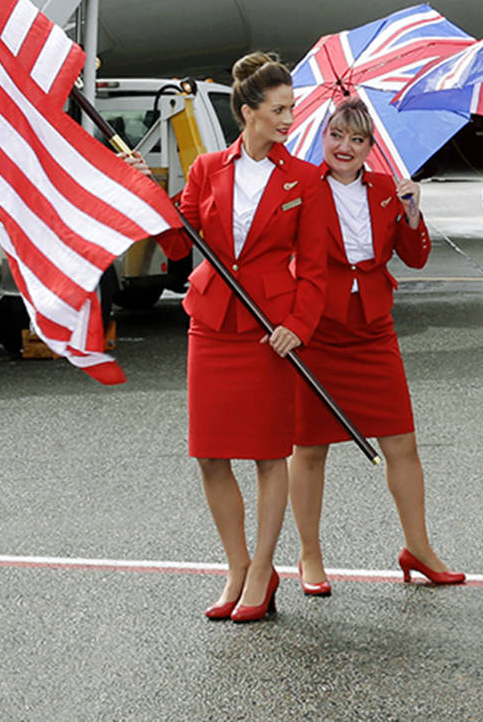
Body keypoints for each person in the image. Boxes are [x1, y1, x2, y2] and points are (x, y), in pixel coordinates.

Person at [159, 52, 335, 625]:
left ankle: (263, 568)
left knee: (266, 454)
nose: (290, 118)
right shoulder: (207, 168)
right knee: (210, 454)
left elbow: (315, 269)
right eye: (279, 109)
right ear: (248, 112)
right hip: (210, 325)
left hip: (270, 332)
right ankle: (235, 565)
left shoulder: (305, 179)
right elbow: (176, 245)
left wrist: (298, 327)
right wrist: (146, 194)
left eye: (292, 107)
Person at [288, 97, 462, 596]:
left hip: (372, 327)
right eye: (337, 135)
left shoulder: (388, 189)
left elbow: (415, 257)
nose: (345, 147)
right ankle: (309, 553)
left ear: (370, 146)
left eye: (357, 139)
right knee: (310, 447)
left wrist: (412, 215)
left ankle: (418, 547)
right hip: (317, 327)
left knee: (402, 443)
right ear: (323, 138)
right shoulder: (302, 186)